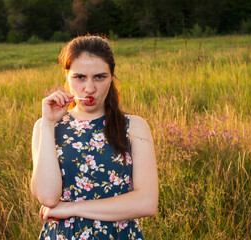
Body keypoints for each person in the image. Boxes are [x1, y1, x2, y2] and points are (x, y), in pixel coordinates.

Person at [31, 35, 158, 240]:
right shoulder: (45, 127)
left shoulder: (134, 126)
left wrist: (72, 208)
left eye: (99, 77)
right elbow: (48, 196)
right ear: (67, 76)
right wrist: (47, 124)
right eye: (79, 77)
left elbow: (147, 202)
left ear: (111, 76)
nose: (89, 88)